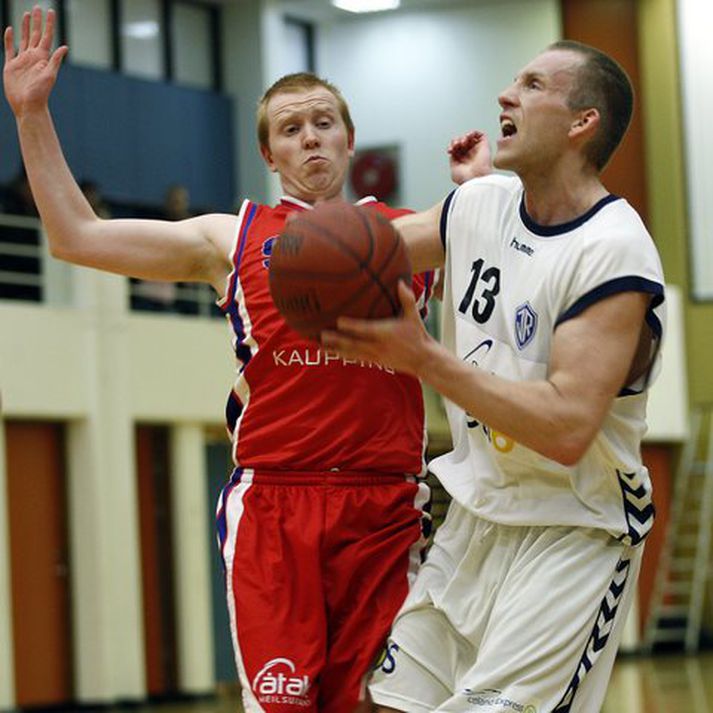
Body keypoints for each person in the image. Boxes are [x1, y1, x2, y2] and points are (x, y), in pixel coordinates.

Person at [2, 8, 490, 712]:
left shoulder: (405, 235)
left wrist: (479, 190)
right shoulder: (232, 239)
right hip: (275, 504)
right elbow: (76, 236)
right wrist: (31, 114)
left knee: (384, 702)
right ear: (270, 155)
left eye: (323, 122)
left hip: (383, 505)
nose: (310, 137)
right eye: (290, 129)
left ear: (349, 139)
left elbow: (507, 248)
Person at [323, 41, 666, 713]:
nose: (506, 95)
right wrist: (281, 246)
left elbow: (566, 427)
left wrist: (424, 358)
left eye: (532, 85)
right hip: (477, 516)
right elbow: (363, 255)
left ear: (580, 123)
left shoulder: (612, 251)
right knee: (391, 702)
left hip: (575, 530)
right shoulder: (478, 205)